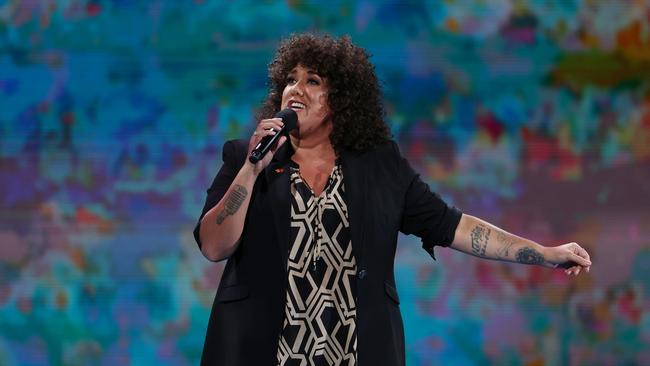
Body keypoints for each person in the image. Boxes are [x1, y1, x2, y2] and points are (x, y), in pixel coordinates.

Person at [193, 33, 591, 366]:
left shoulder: (380, 166)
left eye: (312, 81)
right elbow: (214, 246)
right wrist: (251, 167)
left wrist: (542, 252)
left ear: (340, 99)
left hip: (354, 350)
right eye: (291, 79)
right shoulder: (245, 157)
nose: (296, 89)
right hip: (261, 349)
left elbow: (453, 226)